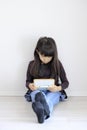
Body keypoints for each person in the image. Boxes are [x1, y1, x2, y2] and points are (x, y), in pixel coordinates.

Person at [25, 37, 69, 123]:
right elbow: (27, 82)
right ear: (37, 52)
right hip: (37, 90)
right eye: (43, 56)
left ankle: (43, 112)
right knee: (36, 95)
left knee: (49, 99)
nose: (46, 59)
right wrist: (30, 85)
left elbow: (66, 83)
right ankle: (45, 113)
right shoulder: (32, 64)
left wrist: (58, 88)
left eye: (49, 57)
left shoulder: (57, 64)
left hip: (53, 90)